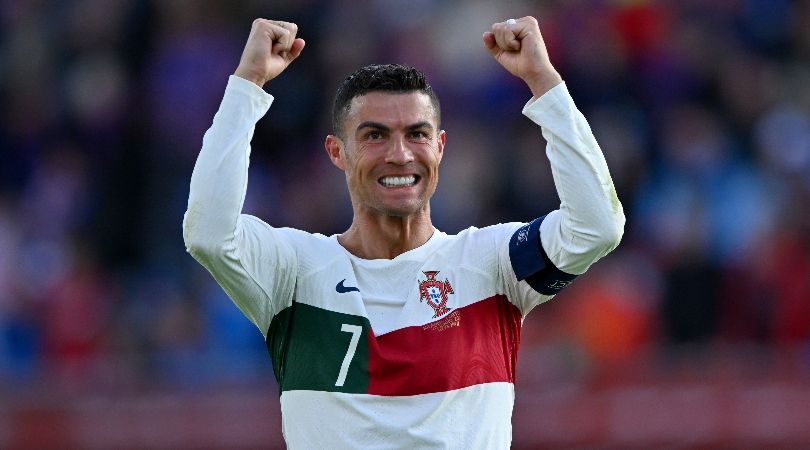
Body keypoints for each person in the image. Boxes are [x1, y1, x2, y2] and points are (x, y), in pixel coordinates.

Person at [183, 16, 625, 449]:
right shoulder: (293, 272)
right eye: (375, 135)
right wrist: (247, 84)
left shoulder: (492, 265)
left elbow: (596, 227)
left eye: (416, 133)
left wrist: (544, 83)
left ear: (440, 146)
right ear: (338, 152)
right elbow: (208, 234)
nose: (399, 154)